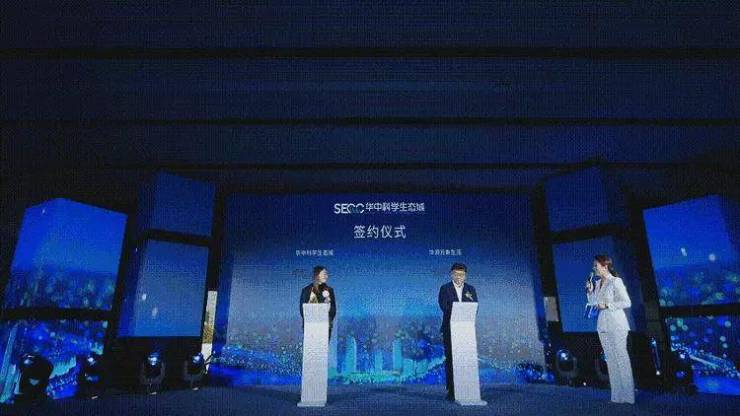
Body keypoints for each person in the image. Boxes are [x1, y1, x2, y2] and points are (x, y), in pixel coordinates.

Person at [586, 254, 635, 404]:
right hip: (603, 325)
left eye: (596, 265)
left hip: (617, 324)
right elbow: (593, 303)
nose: (594, 268)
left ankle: (628, 396)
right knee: (611, 360)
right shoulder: (597, 283)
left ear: (605, 266)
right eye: (594, 266)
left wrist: (608, 305)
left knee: (621, 358)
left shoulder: (615, 281)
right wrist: (590, 291)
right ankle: (617, 396)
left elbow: (626, 302)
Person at [438, 262, 478, 401]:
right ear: (451, 274)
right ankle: (452, 390)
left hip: (466, 329)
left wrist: (466, 316)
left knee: (466, 359)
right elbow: (443, 306)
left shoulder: (471, 289)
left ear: (465, 276)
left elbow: (475, 306)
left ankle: (467, 388)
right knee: (451, 359)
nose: (459, 277)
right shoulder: (445, 288)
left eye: (461, 274)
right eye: (456, 274)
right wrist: (457, 314)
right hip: (450, 329)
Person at [300, 265, 337, 339]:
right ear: (317, 275)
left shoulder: (329, 290)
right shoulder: (306, 290)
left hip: (325, 326)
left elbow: (333, 309)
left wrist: (328, 308)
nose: (326, 276)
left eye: (327, 274)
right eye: (324, 274)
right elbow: (302, 309)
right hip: (310, 326)